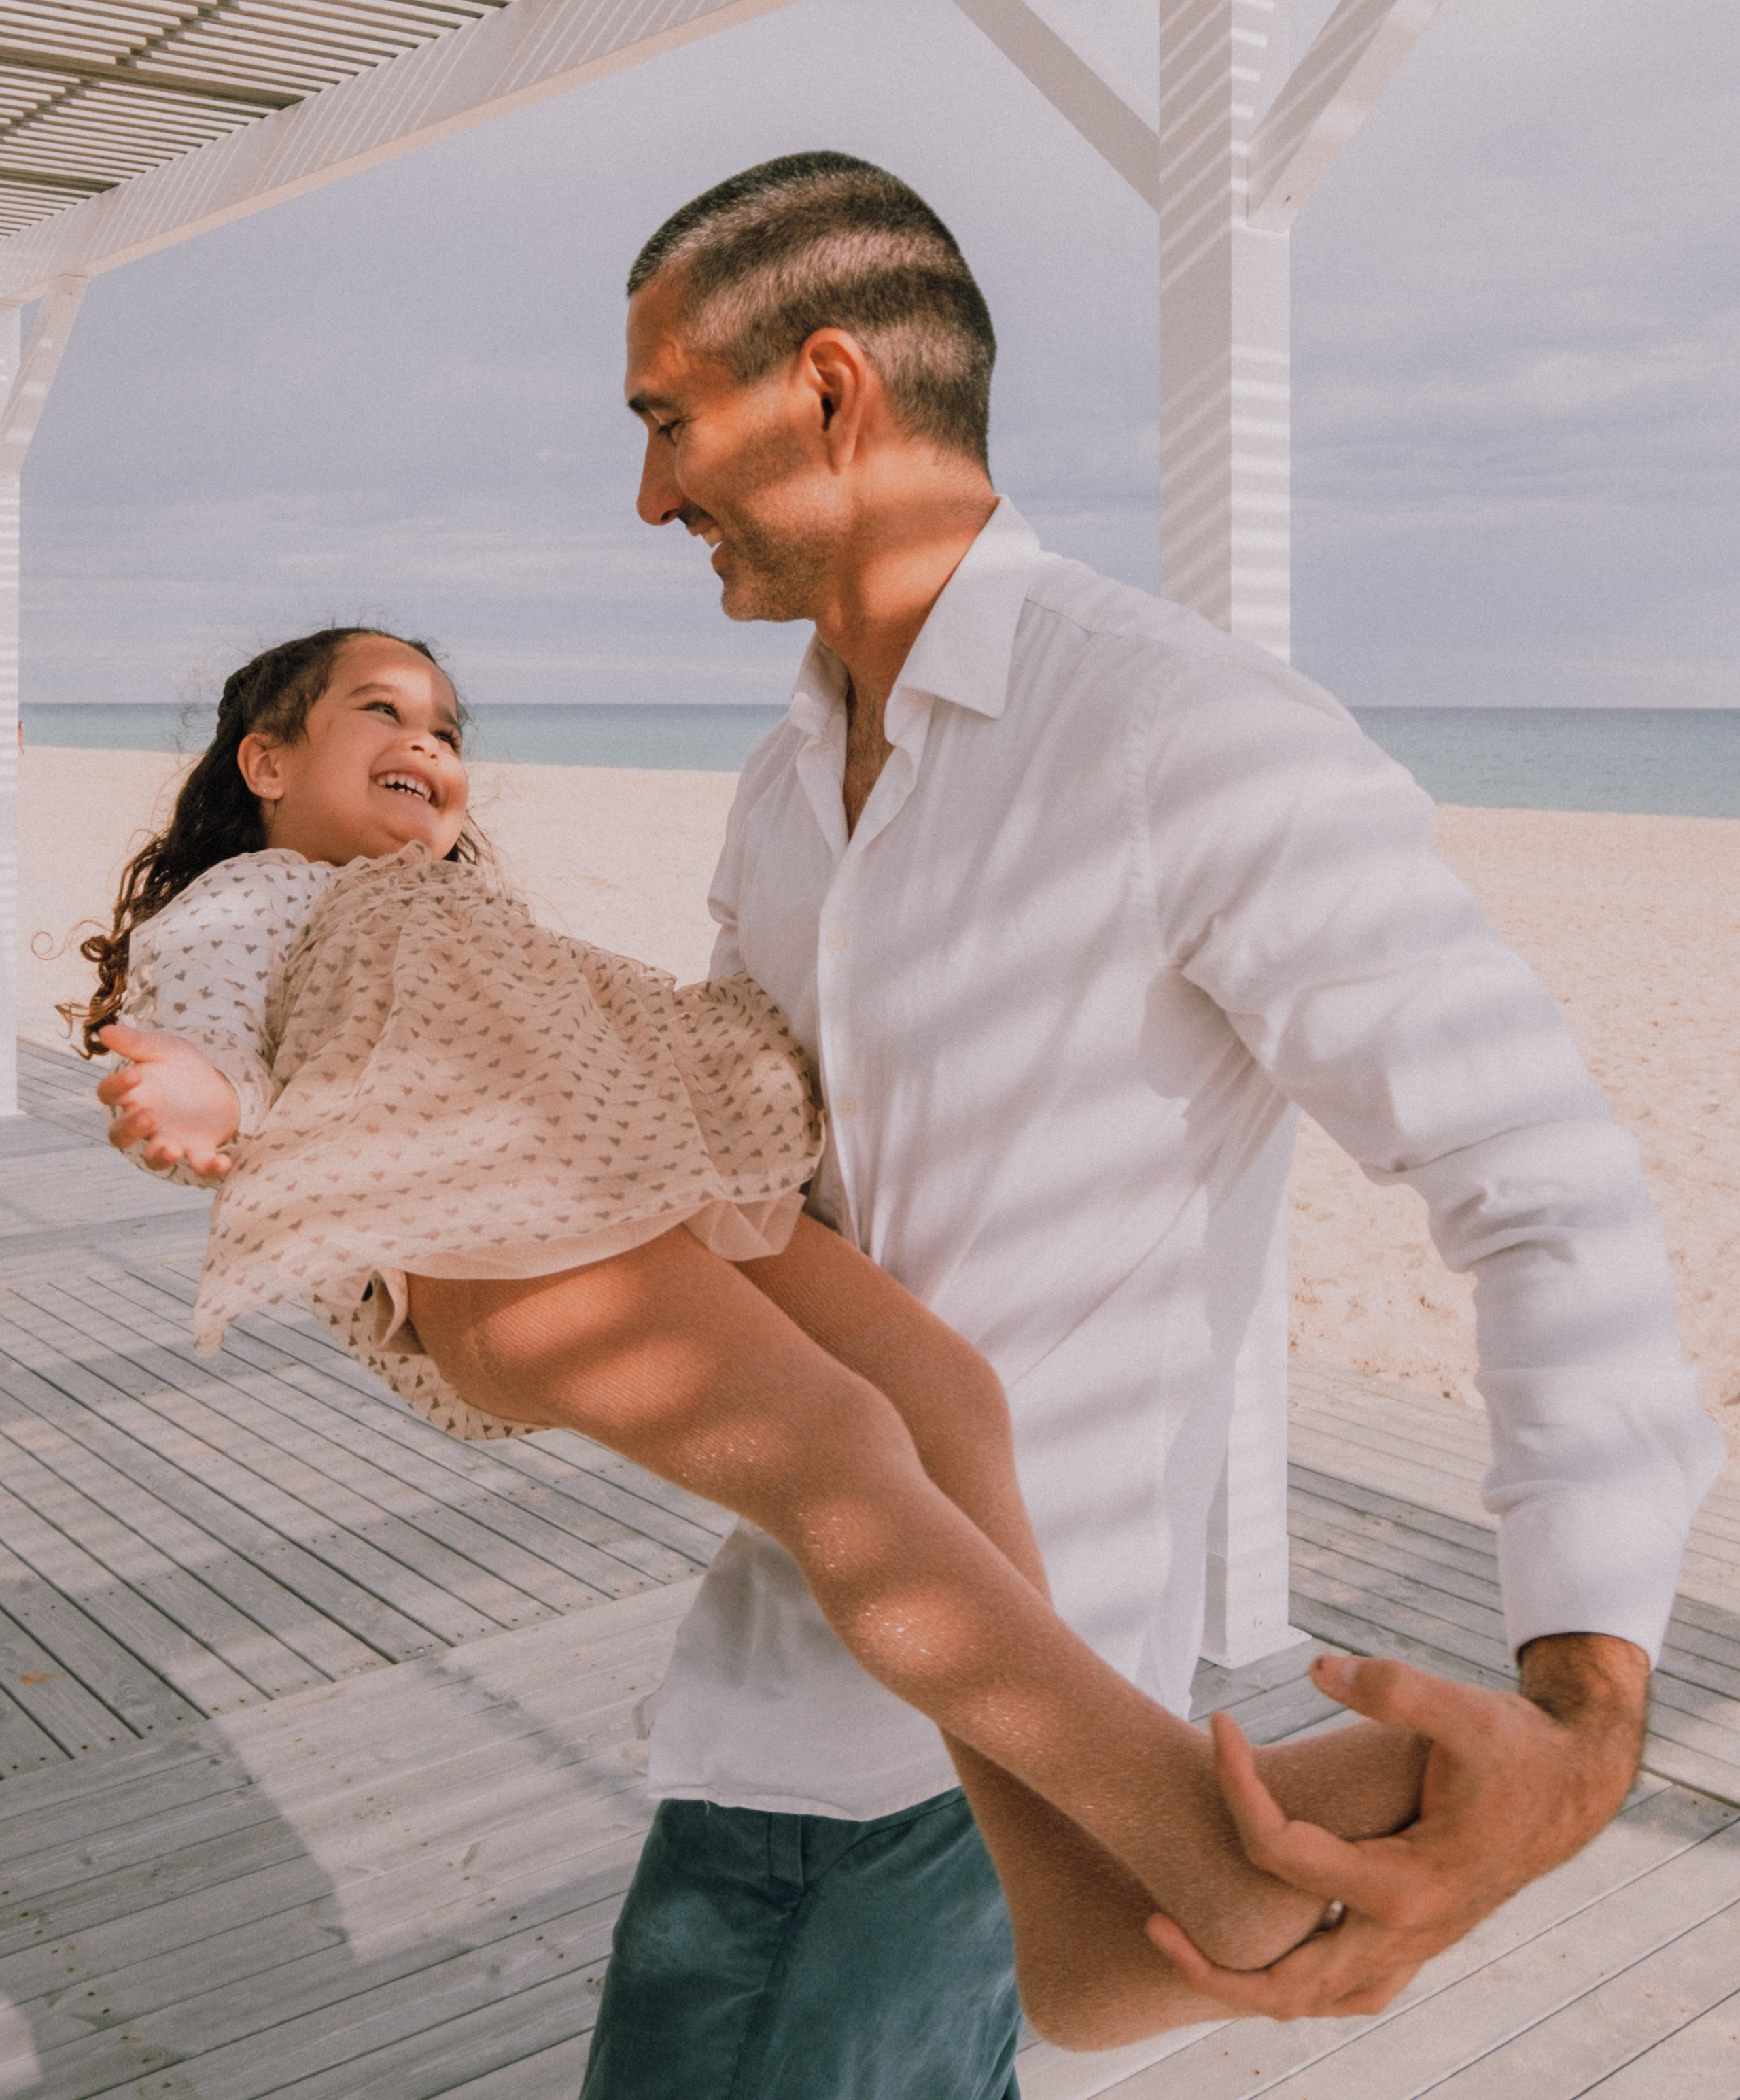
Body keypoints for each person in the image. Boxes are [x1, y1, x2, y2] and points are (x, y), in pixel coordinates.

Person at [552, 149, 1717, 2097]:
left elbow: (1543, 1185)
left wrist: (1584, 1705)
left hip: (981, 1753)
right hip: (779, 1696)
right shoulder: (776, 795)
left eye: (669, 422)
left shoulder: (1184, 733)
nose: (651, 494)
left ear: (830, 389)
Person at [90, 623, 1426, 2053]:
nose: (427, 745)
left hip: (648, 1189)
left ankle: (1074, 1916)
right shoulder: (260, 895)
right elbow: (201, 1022)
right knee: (838, 1448)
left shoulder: (457, 905)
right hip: (485, 1239)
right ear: (267, 762)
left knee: (945, 1393)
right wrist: (198, 1093)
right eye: (380, 713)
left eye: (448, 729)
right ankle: (1185, 1825)